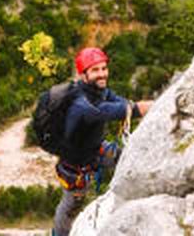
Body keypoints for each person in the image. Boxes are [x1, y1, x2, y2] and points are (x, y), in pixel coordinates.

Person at [52, 47, 152, 236]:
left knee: (129, 159)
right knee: (70, 208)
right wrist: (160, 104)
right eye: (95, 70)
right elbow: (125, 110)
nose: (102, 74)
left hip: (95, 150)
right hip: (76, 167)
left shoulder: (100, 90)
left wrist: (130, 106)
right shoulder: (81, 104)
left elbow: (122, 103)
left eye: (104, 68)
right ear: (83, 75)